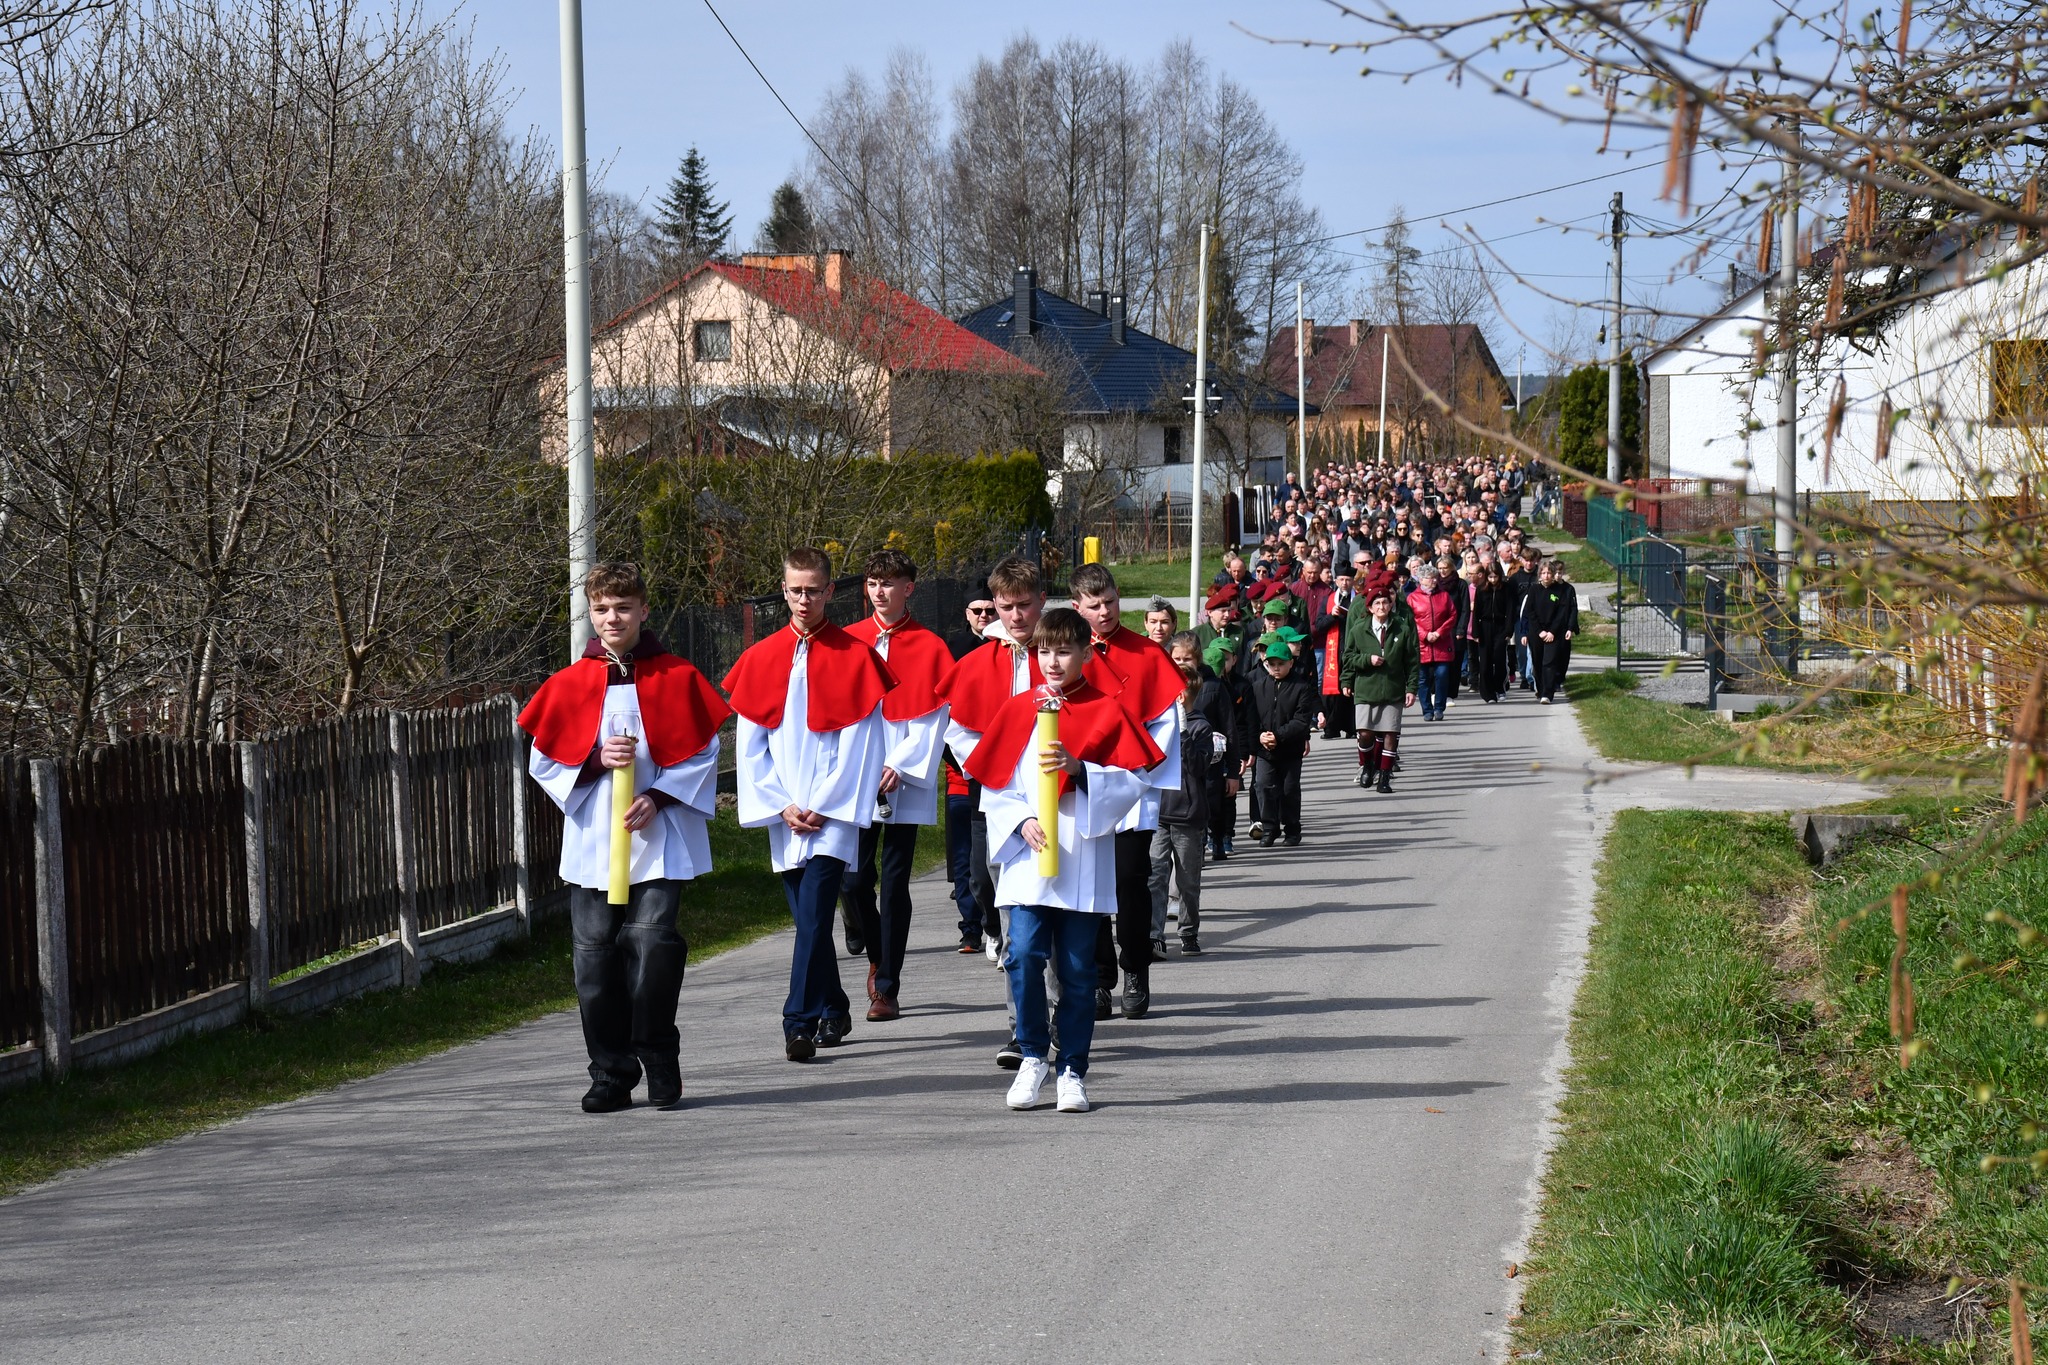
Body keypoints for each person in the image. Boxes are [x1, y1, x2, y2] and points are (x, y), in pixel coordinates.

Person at [519, 561, 730, 1112]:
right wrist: (592, 761)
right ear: (590, 614)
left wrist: (658, 797)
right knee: (594, 959)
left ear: (643, 610)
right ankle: (611, 1073)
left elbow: (704, 753)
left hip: (659, 836)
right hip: (594, 839)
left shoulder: (677, 676)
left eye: (623, 607)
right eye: (601, 609)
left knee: (652, 944)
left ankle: (657, 1055)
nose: (612, 618)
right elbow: (544, 761)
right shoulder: (569, 683)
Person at [968, 608, 1164, 1113]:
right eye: (1043, 651)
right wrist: (1019, 820)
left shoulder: (1106, 709)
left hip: (1080, 856)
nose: (1052, 662)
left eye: (1063, 651)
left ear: (1084, 654)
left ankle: (1073, 1069)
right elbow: (995, 783)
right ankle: (1034, 1055)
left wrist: (1082, 771)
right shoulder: (1018, 709)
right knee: (1022, 955)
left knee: (1078, 970)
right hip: (1029, 856)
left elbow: (1135, 780)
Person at [723, 546, 896, 1061]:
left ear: (829, 591)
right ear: (783, 591)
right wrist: (781, 805)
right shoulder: (761, 658)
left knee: (817, 914)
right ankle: (835, 1005)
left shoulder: (855, 656)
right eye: (795, 590)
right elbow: (749, 746)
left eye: (813, 590)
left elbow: (862, 745)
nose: (804, 599)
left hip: (832, 812)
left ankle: (797, 1022)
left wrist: (823, 804)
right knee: (810, 924)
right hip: (786, 811)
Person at [935, 556, 1047, 1067]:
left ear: (1041, 601)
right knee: (998, 900)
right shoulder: (980, 661)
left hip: (1060, 799)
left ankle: (1051, 1019)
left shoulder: (1062, 652)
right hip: (997, 798)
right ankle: (1022, 1026)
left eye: (1024, 605)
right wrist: (991, 763)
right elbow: (958, 728)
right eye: (1006, 606)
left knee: (1056, 916)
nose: (1016, 616)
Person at [840, 549, 953, 1023]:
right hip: (856, 774)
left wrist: (901, 765)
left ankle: (886, 986)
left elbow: (935, 715)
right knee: (853, 880)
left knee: (894, 880)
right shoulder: (847, 640)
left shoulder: (931, 646)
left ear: (909, 588)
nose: (879, 591)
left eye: (888, 583)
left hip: (905, 777)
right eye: (872, 583)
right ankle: (876, 952)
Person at [1068, 562, 1183, 1022]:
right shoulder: (1068, 653)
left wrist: (1135, 767)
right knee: (1089, 883)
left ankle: (1135, 967)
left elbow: (1166, 723)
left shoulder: (1147, 653)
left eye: (1110, 602)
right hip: (1082, 785)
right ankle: (1099, 980)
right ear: (1077, 607)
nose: (1105, 612)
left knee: (1130, 882)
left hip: (1132, 787)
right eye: (1094, 606)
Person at [1152, 633, 1225, 956]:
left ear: (1183, 696)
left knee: (1187, 881)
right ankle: (1154, 933)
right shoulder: (1159, 723)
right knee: (1155, 876)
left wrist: (1182, 730)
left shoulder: (1200, 727)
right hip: (1159, 812)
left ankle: (1188, 931)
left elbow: (1196, 765)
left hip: (1189, 815)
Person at [942, 593, 998, 953]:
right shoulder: (956, 649)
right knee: (966, 857)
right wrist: (960, 760)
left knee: (991, 857)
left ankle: (995, 926)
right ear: (967, 613)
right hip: (961, 772)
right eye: (977, 610)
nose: (984, 615)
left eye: (990, 610)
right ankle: (971, 927)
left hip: (1002, 774)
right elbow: (946, 712)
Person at [1342, 587, 1420, 794]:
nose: (1381, 606)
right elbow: (1348, 658)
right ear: (1369, 608)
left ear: (1391, 604)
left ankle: (1384, 777)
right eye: (1377, 603)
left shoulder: (1402, 628)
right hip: (1366, 688)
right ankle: (1368, 765)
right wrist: (1366, 661)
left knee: (1390, 734)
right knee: (1365, 733)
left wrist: (1411, 688)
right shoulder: (1359, 629)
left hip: (1393, 688)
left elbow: (1412, 661)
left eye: (1385, 602)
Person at [1243, 639, 1318, 845]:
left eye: (1281, 664)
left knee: (1289, 789)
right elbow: (1251, 717)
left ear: (1290, 663)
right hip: (1264, 750)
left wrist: (1278, 735)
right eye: (1272, 664)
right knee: (1263, 785)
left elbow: (1301, 720)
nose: (1276, 668)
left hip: (1290, 748)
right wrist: (1260, 736)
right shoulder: (1257, 687)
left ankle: (1292, 829)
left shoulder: (1301, 687)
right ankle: (1269, 827)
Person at [1407, 564, 1458, 722]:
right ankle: (1427, 710)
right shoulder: (1412, 598)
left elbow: (1452, 616)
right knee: (1422, 679)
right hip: (1422, 645)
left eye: (1436, 578)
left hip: (1441, 643)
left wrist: (1439, 632)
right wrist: (1424, 634)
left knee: (1442, 675)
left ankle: (1439, 708)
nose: (1434, 581)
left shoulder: (1444, 596)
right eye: (1430, 578)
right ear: (1421, 579)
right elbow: (1410, 621)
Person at [1524, 559, 1579, 704]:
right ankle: (1541, 689)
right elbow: (1530, 611)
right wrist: (1539, 631)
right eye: (1543, 573)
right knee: (1537, 662)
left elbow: (1561, 613)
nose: (1546, 576)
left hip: (1554, 633)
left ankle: (1548, 693)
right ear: (1539, 575)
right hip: (1537, 632)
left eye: (1549, 573)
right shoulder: (1534, 590)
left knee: (1549, 662)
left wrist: (1552, 632)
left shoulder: (1560, 590)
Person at [1312, 570, 1357, 738]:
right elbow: (1319, 625)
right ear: (1336, 581)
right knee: (1332, 692)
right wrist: (1332, 615)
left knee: (1351, 688)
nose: (1345, 583)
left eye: (1348, 579)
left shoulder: (1358, 599)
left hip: (1353, 649)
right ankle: (1332, 728)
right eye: (1342, 579)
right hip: (1334, 650)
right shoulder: (1329, 599)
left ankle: (1352, 727)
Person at [1472, 562, 1514, 703]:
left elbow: (1510, 610)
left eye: (1495, 577)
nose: (1493, 580)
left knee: (1499, 659)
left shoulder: (1507, 589)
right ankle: (1488, 693)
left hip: (1501, 627)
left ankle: (1500, 687)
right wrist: (1475, 632)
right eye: (1490, 577)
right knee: (1485, 663)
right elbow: (1476, 612)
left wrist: (1509, 630)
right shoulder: (1481, 589)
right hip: (1485, 626)